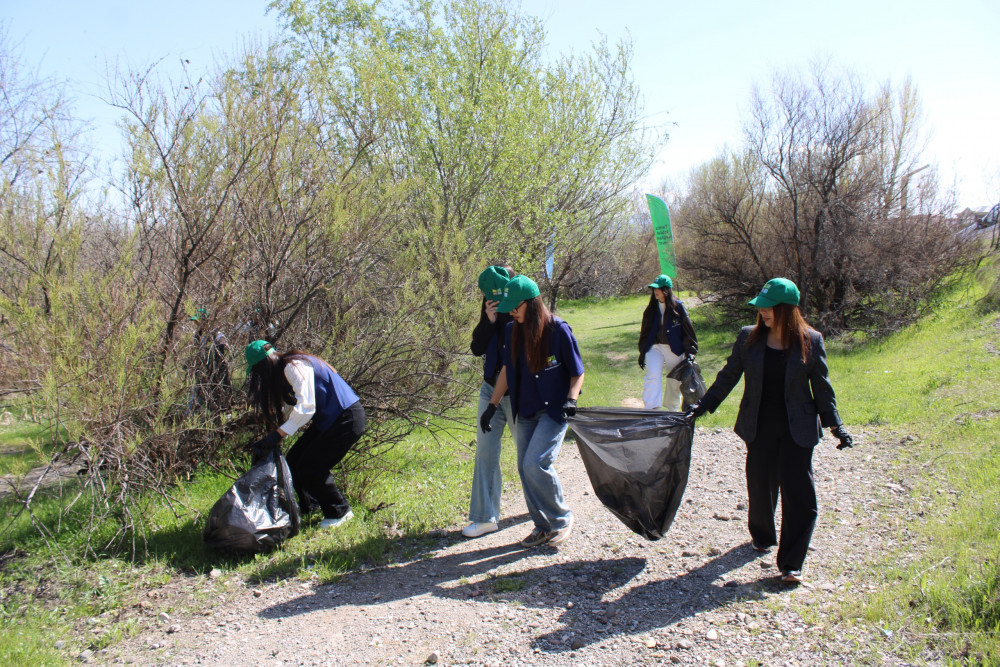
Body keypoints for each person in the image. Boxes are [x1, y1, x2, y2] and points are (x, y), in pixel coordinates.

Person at [685, 278, 853, 584]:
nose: (762, 313)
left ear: (787, 309)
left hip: (797, 429)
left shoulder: (811, 341)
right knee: (760, 488)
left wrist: (836, 425)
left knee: (799, 495)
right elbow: (728, 376)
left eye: (769, 308)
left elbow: (822, 388)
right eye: (760, 308)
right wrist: (703, 405)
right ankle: (762, 536)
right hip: (759, 426)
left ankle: (791, 563)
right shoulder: (748, 338)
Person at [480, 275, 584, 548]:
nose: (512, 312)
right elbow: (505, 369)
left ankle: (561, 519)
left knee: (535, 463)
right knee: (524, 469)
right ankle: (541, 526)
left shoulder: (559, 330)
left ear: (532, 303)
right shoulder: (512, 330)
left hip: (553, 411)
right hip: (525, 410)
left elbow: (577, 372)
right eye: (510, 308)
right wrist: (492, 405)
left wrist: (571, 400)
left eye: (516, 307)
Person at [244, 340, 365, 530]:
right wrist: (275, 437)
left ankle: (339, 512)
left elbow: (306, 409)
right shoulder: (286, 369)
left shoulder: (293, 366)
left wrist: (277, 435)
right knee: (294, 460)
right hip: (331, 420)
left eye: (258, 371)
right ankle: (311, 506)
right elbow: (292, 410)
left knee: (311, 467)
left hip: (346, 418)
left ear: (264, 365)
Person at [463, 265, 516, 539]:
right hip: (489, 388)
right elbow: (476, 348)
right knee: (485, 453)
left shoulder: (519, 303)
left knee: (530, 455)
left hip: (518, 391)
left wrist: (506, 316)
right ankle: (485, 518)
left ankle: (548, 508)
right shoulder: (489, 306)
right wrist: (489, 320)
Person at [638, 274, 698, 411]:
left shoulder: (678, 307)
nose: (655, 291)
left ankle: (672, 409)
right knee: (652, 375)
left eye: (658, 288)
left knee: (674, 380)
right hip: (654, 347)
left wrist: (690, 351)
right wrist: (642, 353)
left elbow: (688, 331)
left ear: (666, 290)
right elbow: (645, 332)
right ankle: (651, 408)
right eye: (654, 289)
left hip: (674, 348)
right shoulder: (651, 309)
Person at [187, 309, 232, 415]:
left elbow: (225, 348)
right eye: (195, 322)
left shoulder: (217, 334)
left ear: (206, 321)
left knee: (219, 399)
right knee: (197, 398)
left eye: (198, 321)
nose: (196, 324)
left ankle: (223, 418)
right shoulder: (198, 335)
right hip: (202, 372)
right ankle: (190, 418)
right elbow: (195, 351)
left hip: (217, 374)